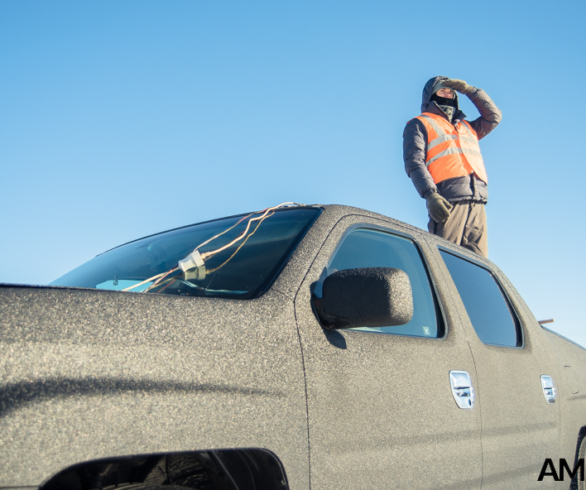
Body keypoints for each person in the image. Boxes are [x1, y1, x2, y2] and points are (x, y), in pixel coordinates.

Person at [403, 76, 502, 257]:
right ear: (431, 95)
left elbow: (494, 116)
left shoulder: (467, 126)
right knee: (446, 259)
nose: (448, 94)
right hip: (447, 200)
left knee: (479, 265)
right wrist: (430, 194)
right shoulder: (420, 123)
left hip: (477, 200)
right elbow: (414, 161)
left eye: (451, 91)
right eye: (443, 90)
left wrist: (470, 90)